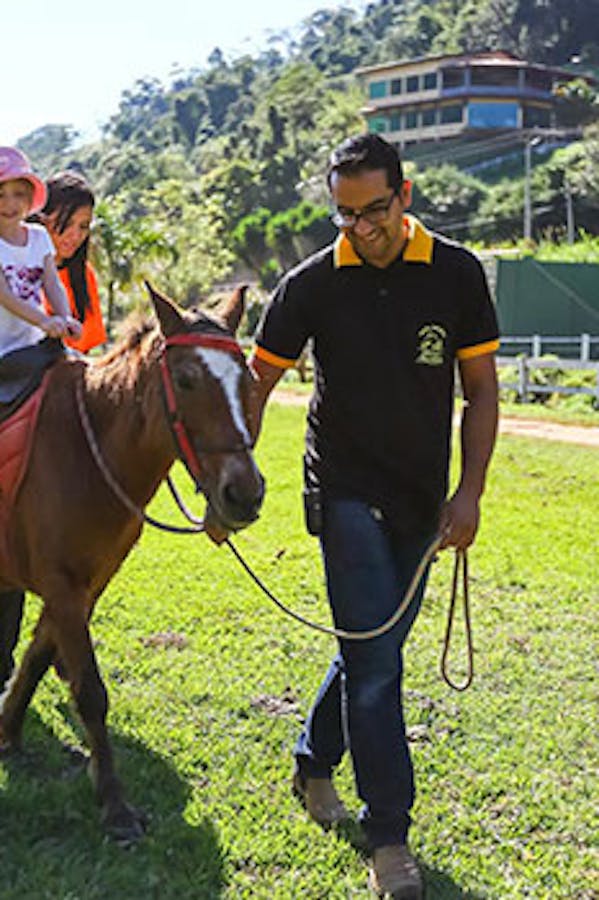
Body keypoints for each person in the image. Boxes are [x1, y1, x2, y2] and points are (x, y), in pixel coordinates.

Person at [231, 133, 499, 898]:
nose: (360, 228)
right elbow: (255, 388)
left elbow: (479, 390)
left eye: (374, 210)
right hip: (342, 487)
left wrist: (469, 491)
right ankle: (389, 839)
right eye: (345, 215)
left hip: (423, 496)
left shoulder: (455, 273)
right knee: (379, 665)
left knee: (367, 649)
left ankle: (313, 759)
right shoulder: (310, 284)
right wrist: (228, 488)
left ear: (404, 195)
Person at [0, 148, 83, 693]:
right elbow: (6, 296)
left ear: (33, 197)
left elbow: (50, 282)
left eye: (17, 194)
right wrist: (48, 321)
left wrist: (66, 317)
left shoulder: (38, 240)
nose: (9, 204)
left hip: (41, 347)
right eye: (1, 195)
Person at [38, 170, 107, 354]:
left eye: (83, 226)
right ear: (42, 218)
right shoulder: (18, 267)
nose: (75, 236)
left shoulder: (85, 275)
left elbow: (86, 348)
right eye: (67, 223)